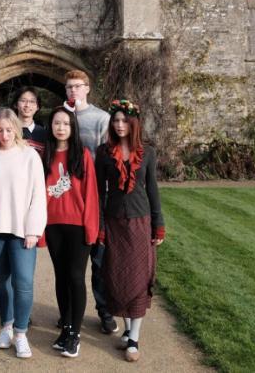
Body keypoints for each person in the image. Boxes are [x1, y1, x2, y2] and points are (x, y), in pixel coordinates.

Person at [95, 99, 166, 363]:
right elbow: (99, 193)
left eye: (125, 120)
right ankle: (126, 330)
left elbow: (152, 190)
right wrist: (101, 227)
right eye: (116, 120)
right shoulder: (104, 153)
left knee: (138, 277)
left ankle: (134, 338)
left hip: (140, 222)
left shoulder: (147, 153)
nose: (120, 125)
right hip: (114, 222)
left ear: (134, 122)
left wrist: (158, 224)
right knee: (117, 277)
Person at [0, 108, 47, 359]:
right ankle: (7, 326)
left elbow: (38, 196)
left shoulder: (29, 155)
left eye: (9, 130)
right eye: (0, 130)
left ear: (16, 130)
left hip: (22, 230)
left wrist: (33, 230)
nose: (5, 135)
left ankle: (21, 333)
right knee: (1, 280)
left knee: (23, 282)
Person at [41, 102, 99, 358]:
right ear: (50, 127)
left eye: (65, 123)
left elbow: (91, 194)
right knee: (61, 277)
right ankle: (65, 327)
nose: (61, 127)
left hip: (77, 226)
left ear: (72, 127)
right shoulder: (44, 155)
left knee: (76, 277)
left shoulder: (82, 155)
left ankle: (75, 333)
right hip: (53, 225)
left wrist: (91, 229)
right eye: (56, 123)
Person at [64, 69, 117, 334]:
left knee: (99, 258)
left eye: (77, 86)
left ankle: (104, 310)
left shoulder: (100, 118)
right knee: (72, 261)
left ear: (87, 88)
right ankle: (69, 313)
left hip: (99, 195)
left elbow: (110, 156)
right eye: (69, 87)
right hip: (70, 197)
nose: (73, 91)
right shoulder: (63, 117)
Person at [11, 86, 47, 155]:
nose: (27, 105)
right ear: (15, 104)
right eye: (23, 101)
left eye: (32, 101)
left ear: (37, 107)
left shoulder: (44, 134)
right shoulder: (7, 131)